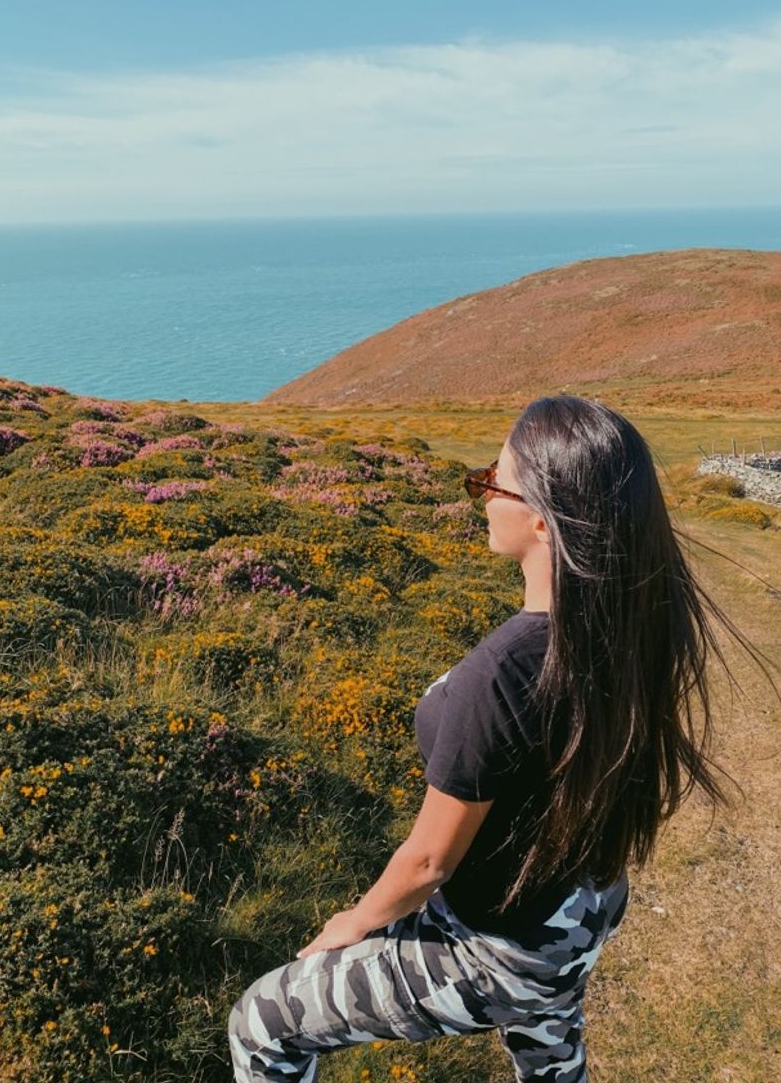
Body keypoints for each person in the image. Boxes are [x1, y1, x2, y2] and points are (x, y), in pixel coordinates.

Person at [227, 394, 744, 1083]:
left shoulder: (502, 674)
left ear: (538, 518)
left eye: (489, 481)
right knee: (547, 1042)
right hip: (578, 909)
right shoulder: (626, 624)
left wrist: (353, 922)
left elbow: (426, 865)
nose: (478, 495)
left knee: (262, 1024)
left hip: (503, 945)